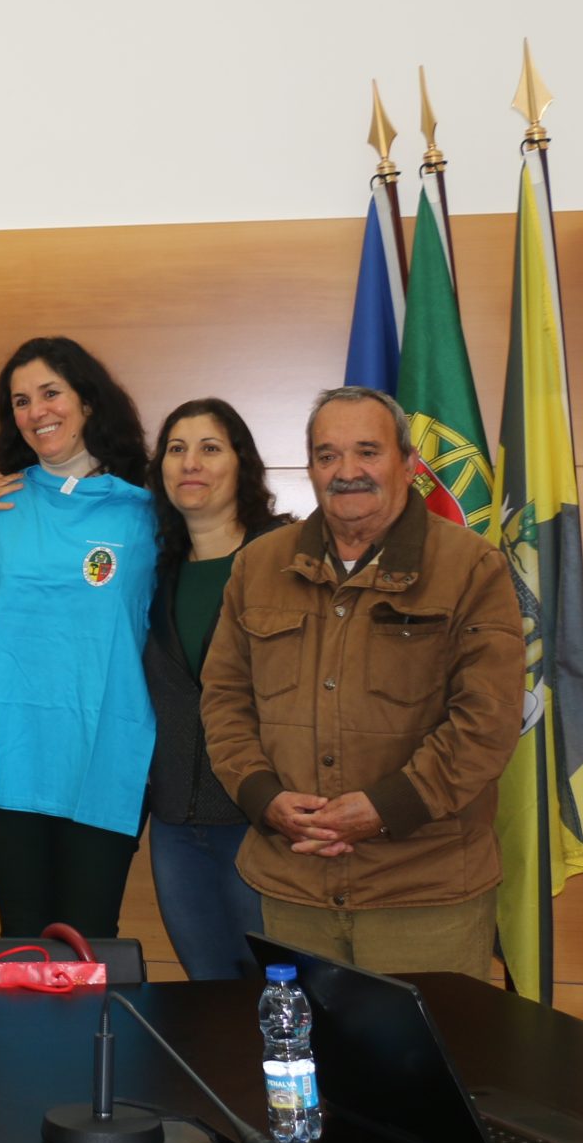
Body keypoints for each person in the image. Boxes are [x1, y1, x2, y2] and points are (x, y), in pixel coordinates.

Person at [202, 385, 523, 977]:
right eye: (328, 456)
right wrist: (263, 798)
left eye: (368, 452)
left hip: (423, 893)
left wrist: (384, 808)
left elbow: (488, 721)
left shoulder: (472, 567)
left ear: (409, 465)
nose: (347, 472)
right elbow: (224, 702)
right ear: (310, 469)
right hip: (291, 886)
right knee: (303, 1065)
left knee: (427, 1069)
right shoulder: (257, 566)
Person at [0, 335, 156, 938]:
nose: (37, 412)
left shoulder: (146, 513)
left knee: (89, 944)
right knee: (23, 942)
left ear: (87, 401)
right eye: (21, 401)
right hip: (10, 752)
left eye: (51, 393)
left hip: (106, 752)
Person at [143, 398, 288, 979]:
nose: (189, 463)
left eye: (209, 448)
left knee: (279, 992)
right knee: (208, 995)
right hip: (176, 823)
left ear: (241, 464)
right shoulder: (153, 573)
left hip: (260, 820)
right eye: (176, 449)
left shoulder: (285, 561)